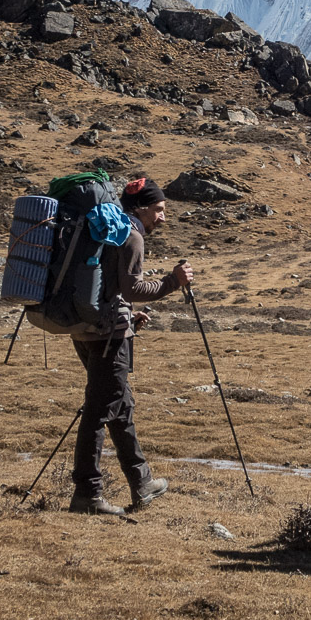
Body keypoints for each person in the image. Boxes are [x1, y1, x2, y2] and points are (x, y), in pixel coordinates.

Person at [69, 176, 193, 515]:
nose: (163, 217)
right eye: (159, 209)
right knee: (98, 412)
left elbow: (110, 287)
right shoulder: (131, 235)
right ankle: (88, 494)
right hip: (108, 336)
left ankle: (142, 482)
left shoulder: (108, 229)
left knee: (119, 407)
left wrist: (127, 314)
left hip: (86, 328)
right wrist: (173, 281)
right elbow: (134, 288)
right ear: (140, 208)